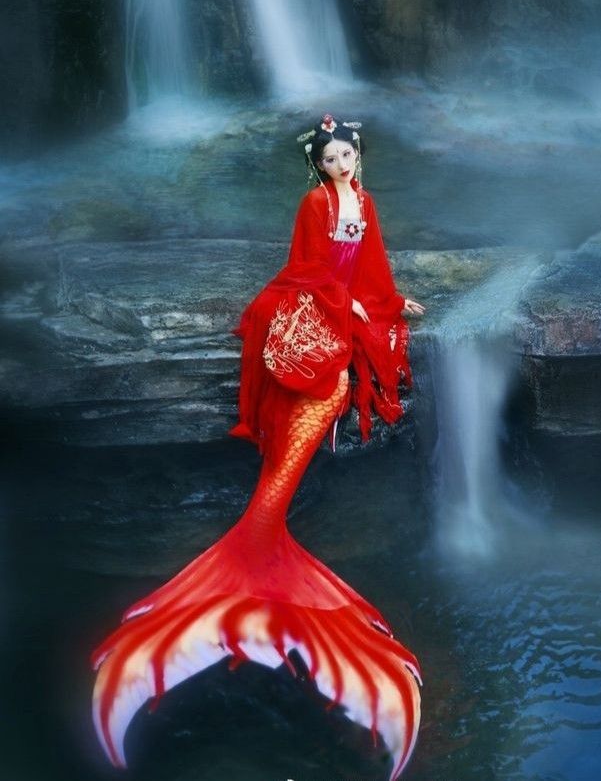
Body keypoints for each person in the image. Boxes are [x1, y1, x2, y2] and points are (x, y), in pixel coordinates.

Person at [89, 113, 425, 781]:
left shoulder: (365, 200)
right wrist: (348, 306)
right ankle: (257, 558)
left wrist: (384, 299)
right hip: (318, 302)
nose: (338, 166)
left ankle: (261, 557)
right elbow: (307, 265)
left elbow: (372, 259)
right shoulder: (313, 203)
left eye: (345, 156)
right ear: (318, 164)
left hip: (350, 301)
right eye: (328, 158)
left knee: (348, 374)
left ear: (358, 157)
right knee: (322, 392)